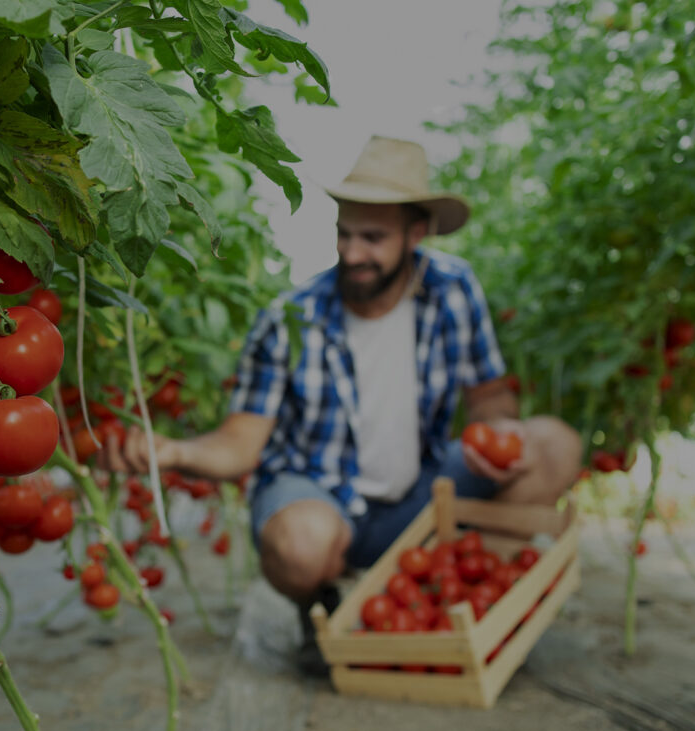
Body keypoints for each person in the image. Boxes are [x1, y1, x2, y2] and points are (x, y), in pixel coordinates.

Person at [101, 135, 582, 675]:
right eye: (344, 234)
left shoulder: (452, 290)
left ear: (415, 234)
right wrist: (171, 451)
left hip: (419, 497)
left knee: (556, 445)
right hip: (321, 501)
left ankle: (465, 594)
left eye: (373, 238)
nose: (353, 253)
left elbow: (489, 394)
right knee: (302, 542)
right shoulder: (290, 317)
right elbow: (241, 444)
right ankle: (322, 605)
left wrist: (497, 439)